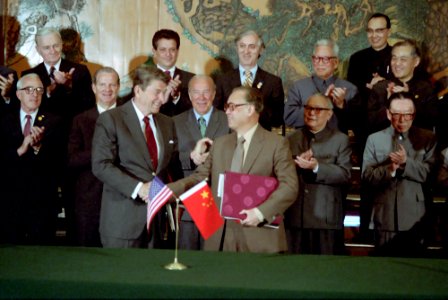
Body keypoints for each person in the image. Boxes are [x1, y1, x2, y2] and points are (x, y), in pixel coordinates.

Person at [170, 86, 298, 253]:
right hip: (220, 237)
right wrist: (164, 191)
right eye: (226, 107)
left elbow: (290, 186)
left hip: (258, 233)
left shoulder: (276, 144)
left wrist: (260, 213)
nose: (227, 112)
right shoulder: (220, 143)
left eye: (232, 107)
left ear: (250, 109)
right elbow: (198, 178)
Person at [91, 65, 183, 248]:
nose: (162, 99)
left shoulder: (167, 123)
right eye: (157, 92)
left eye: (165, 92)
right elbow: (101, 165)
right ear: (138, 90)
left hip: (156, 224)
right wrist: (139, 188)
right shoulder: (111, 119)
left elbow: (171, 166)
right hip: (122, 223)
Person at [362, 92, 437, 256]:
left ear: (414, 115)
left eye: (407, 115)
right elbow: (367, 176)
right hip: (384, 215)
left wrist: (406, 163)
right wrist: (390, 170)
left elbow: (432, 175)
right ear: (389, 114)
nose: (402, 120)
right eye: (397, 114)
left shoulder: (428, 138)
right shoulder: (374, 139)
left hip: (415, 216)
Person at [0, 73, 64, 244]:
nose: (34, 94)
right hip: (9, 202)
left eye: (38, 90)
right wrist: (20, 150)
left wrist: (37, 148)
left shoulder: (55, 121)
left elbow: (61, 161)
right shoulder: (4, 120)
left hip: (42, 203)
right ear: (18, 94)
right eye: (28, 90)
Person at [285, 93, 351, 255]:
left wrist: (317, 167)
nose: (311, 113)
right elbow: (280, 172)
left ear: (329, 114)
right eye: (308, 108)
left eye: (318, 109)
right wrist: (294, 164)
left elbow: (345, 174)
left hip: (325, 219)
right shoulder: (291, 139)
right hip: (295, 218)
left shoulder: (340, 140)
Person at [173, 75, 230, 250]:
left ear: (213, 94)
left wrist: (215, 157)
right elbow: (169, 157)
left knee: (213, 258)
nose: (201, 98)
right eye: (196, 93)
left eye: (206, 92)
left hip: (219, 200)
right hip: (188, 201)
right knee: (187, 256)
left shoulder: (229, 119)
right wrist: (191, 156)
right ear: (189, 95)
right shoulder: (175, 121)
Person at [67, 67, 121, 247]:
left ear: (119, 87)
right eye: (103, 84)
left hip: (121, 198)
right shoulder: (80, 120)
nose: (107, 89)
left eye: (112, 84)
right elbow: (72, 159)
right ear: (94, 88)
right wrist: (101, 152)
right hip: (89, 201)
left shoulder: (128, 118)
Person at [214, 30, 285, 131]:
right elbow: (216, 116)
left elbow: (277, 119)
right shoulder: (223, 80)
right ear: (237, 48)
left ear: (260, 50)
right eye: (242, 46)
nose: (246, 51)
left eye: (252, 47)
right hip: (230, 139)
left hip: (261, 140)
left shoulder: (273, 82)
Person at [21, 27, 95, 125]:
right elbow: (26, 109)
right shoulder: (28, 75)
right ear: (38, 50)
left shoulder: (80, 71)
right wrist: (47, 93)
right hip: (41, 134)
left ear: (61, 45)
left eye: (56, 45)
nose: (53, 51)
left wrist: (69, 86)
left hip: (71, 134)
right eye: (47, 47)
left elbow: (89, 105)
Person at [284, 39, 358, 134]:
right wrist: (318, 107)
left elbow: (356, 123)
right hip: (305, 144)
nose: (320, 63)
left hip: (337, 145)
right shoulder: (298, 87)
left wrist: (341, 105)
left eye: (326, 59)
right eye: (316, 58)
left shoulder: (350, 89)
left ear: (335, 63)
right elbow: (289, 117)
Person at [367, 40, 438, 135]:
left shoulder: (426, 89)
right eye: (394, 58)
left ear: (416, 62)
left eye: (403, 59)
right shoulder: (380, 88)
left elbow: (431, 122)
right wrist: (389, 104)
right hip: (386, 145)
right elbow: (369, 123)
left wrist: (410, 100)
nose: (397, 63)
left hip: (416, 145)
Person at [152, 29, 195, 117]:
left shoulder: (191, 79)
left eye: (172, 50)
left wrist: (176, 97)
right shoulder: (143, 78)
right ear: (154, 51)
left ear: (177, 51)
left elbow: (195, 111)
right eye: (163, 50)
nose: (168, 54)